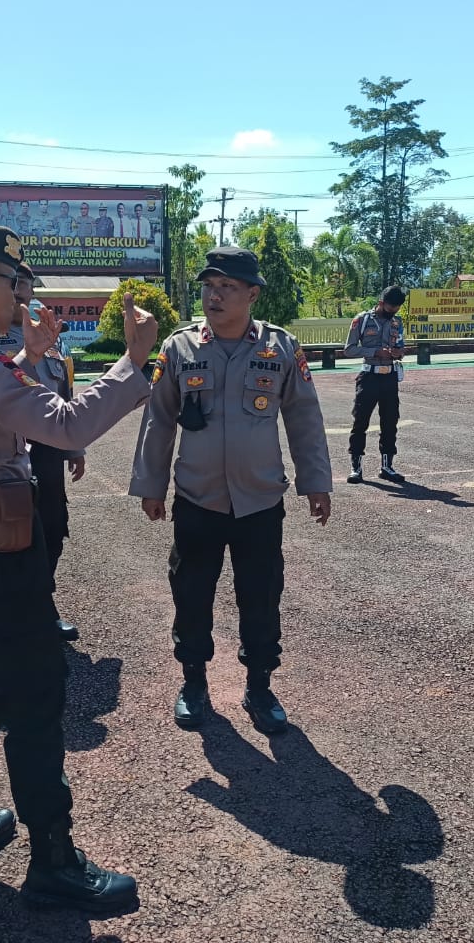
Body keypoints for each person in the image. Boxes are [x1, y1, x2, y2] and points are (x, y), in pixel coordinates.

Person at [0, 223, 157, 912]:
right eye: (13, 287)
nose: (20, 299)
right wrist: (132, 363)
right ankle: (53, 859)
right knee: (37, 695)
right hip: (1, 537)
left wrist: (27, 352)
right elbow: (68, 426)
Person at [129, 246, 333, 736]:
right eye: (208, 286)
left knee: (261, 595)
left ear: (252, 295)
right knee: (192, 593)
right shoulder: (179, 349)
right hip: (197, 499)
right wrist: (151, 484)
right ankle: (194, 682)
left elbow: (303, 417)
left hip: (260, 501)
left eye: (226, 288)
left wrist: (316, 483)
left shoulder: (280, 348)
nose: (213, 296)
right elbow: (158, 420)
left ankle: (259, 686)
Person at [0, 262, 84, 640]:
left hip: (47, 451)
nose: (19, 293)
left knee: (53, 527)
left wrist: (75, 446)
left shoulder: (50, 338)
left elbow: (65, 394)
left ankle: (42, 604)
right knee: (8, 532)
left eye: (24, 285)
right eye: (12, 285)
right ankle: (14, 611)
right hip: (6, 451)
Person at [342, 286, 408, 484]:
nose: (393, 312)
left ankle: (387, 466)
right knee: (360, 421)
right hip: (369, 377)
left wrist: (399, 353)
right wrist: (374, 352)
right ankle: (356, 467)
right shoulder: (362, 320)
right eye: (390, 308)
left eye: (396, 309)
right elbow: (349, 349)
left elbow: (402, 346)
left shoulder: (397, 322)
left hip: (389, 377)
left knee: (390, 422)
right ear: (381, 303)